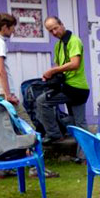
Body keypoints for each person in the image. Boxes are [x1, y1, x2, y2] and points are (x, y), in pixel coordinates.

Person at [0, 13, 57, 178]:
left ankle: (4, 169)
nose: (13, 31)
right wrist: (8, 95)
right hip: (3, 96)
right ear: (4, 27)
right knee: (29, 129)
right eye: (12, 27)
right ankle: (37, 168)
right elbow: (0, 70)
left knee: (4, 133)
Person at [36, 16, 90, 145]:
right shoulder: (59, 45)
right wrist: (50, 77)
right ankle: (57, 134)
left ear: (62, 24)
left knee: (79, 123)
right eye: (50, 31)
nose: (54, 32)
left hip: (77, 89)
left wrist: (52, 71)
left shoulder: (74, 41)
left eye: (55, 28)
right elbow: (61, 68)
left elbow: (75, 63)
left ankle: (84, 155)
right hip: (66, 87)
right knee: (74, 121)